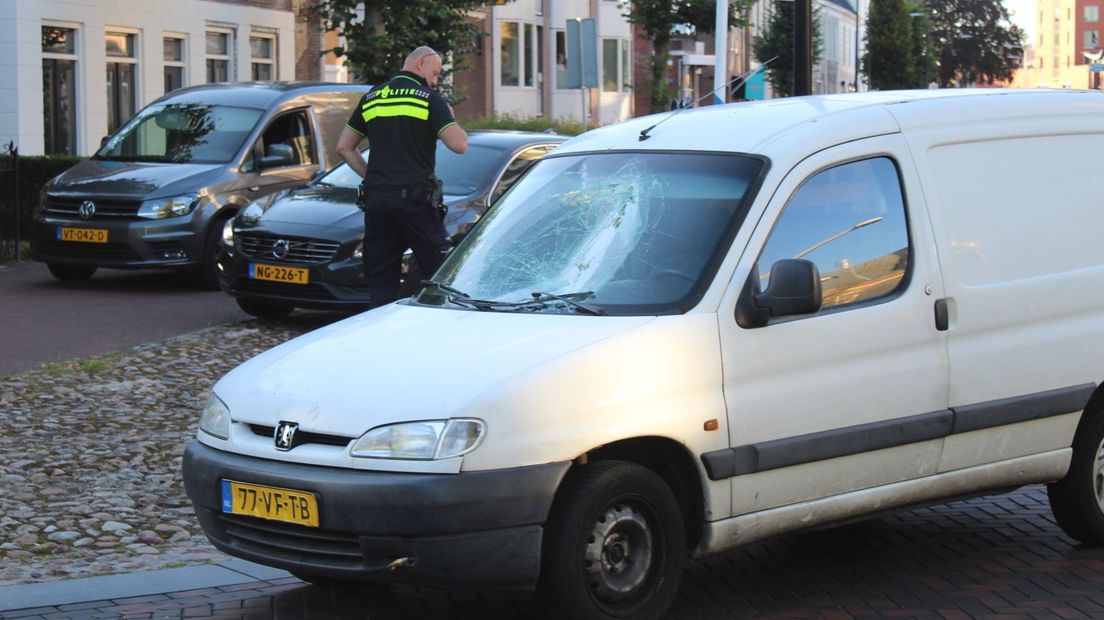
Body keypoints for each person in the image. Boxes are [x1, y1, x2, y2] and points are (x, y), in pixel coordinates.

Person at [335, 46, 468, 306]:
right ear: (421, 64)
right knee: (441, 275)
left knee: (381, 285)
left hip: (377, 203)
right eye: (435, 72)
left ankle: (381, 338)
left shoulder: (372, 97)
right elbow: (459, 145)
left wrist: (371, 177)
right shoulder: (429, 98)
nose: (435, 80)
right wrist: (450, 118)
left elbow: (344, 147)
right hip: (415, 204)